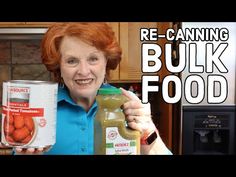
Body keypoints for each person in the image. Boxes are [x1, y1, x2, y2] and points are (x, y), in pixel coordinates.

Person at [14, 22, 172, 155]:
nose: (83, 71)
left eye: (93, 59)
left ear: (106, 62)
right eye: (71, 61)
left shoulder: (128, 107)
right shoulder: (39, 110)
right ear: (59, 67)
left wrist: (148, 134)